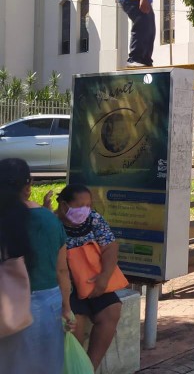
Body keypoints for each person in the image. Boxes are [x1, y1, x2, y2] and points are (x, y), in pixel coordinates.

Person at [0, 158, 73, 374]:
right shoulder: (50, 221)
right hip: (46, 305)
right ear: (28, 186)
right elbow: (61, 270)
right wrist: (67, 308)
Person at [54, 184, 123, 370]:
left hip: (93, 279)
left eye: (88, 205)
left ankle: (89, 368)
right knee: (76, 325)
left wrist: (104, 277)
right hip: (67, 286)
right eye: (80, 206)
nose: (85, 210)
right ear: (63, 205)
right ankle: (79, 367)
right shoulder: (53, 223)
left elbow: (110, 247)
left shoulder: (94, 219)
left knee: (112, 310)